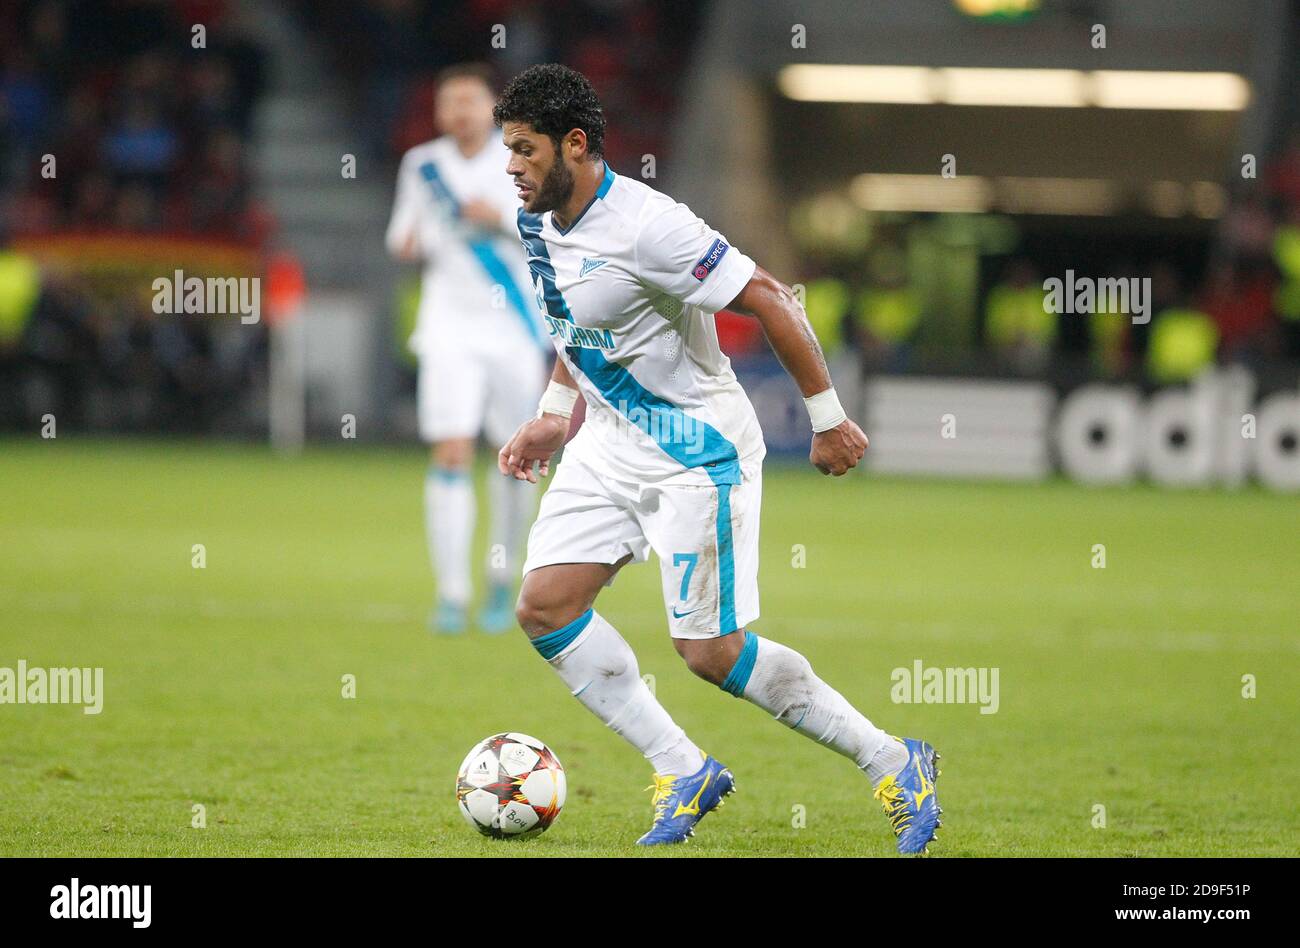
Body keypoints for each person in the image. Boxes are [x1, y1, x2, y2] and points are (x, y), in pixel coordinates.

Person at [492, 64, 941, 852]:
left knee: (708, 652)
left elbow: (769, 295)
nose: (512, 168)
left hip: (697, 452)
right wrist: (554, 415)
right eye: (508, 151)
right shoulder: (537, 219)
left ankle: (893, 758)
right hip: (608, 444)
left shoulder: (650, 225)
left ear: (575, 145)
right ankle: (682, 767)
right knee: (544, 606)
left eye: (525, 151)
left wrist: (828, 419)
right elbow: (575, 324)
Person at [386, 63, 548, 634]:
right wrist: (416, 240)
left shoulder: (521, 160)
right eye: (448, 101)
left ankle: (501, 580)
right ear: (437, 112)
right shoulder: (422, 164)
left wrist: (499, 219)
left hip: (515, 330)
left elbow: (549, 228)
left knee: (514, 459)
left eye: (470, 100)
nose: (459, 111)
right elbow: (401, 234)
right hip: (448, 328)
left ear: (492, 109)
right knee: (450, 452)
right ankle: (451, 592)